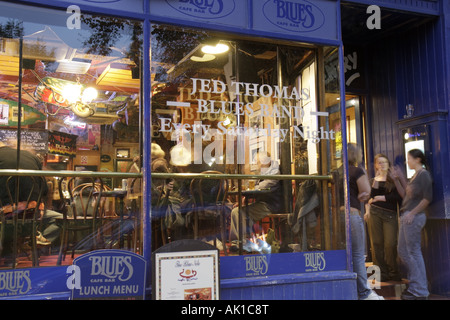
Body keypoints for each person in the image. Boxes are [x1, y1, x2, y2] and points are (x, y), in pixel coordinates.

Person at [0, 142, 62, 264]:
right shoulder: (31, 157)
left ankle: (10, 255)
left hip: (5, 217)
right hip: (32, 216)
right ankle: (35, 239)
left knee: (7, 223)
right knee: (60, 218)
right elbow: (44, 189)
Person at [340, 143, 384, 300]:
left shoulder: (336, 172)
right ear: (356, 155)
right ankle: (364, 293)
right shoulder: (357, 170)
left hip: (336, 217)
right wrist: (363, 196)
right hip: (351, 214)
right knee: (358, 255)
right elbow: (366, 192)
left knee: (344, 254)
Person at [398, 149, 432, 300]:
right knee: (404, 250)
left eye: (409, 158)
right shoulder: (415, 176)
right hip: (408, 217)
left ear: (417, 159)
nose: (407, 161)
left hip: (414, 217)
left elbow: (427, 198)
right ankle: (417, 285)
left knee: (413, 252)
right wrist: (398, 178)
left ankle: (420, 290)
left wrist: (412, 213)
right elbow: (408, 195)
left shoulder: (423, 175)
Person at [366, 154, 404, 281]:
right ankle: (380, 273)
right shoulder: (373, 180)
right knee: (376, 243)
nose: (382, 165)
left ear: (388, 164)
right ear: (376, 165)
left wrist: (382, 198)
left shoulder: (393, 179)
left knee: (390, 244)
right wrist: (377, 180)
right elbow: (371, 197)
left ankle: (393, 272)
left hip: (390, 215)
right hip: (375, 213)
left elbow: (399, 197)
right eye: (379, 163)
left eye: (384, 162)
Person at [229, 151, 282, 245]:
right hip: (262, 204)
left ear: (264, 162)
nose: (255, 164)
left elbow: (262, 187)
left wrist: (248, 189)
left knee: (238, 212)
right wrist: (243, 200)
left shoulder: (274, 173)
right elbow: (254, 187)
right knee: (235, 210)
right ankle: (237, 242)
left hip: (270, 205)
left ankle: (242, 243)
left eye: (257, 161)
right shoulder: (263, 172)